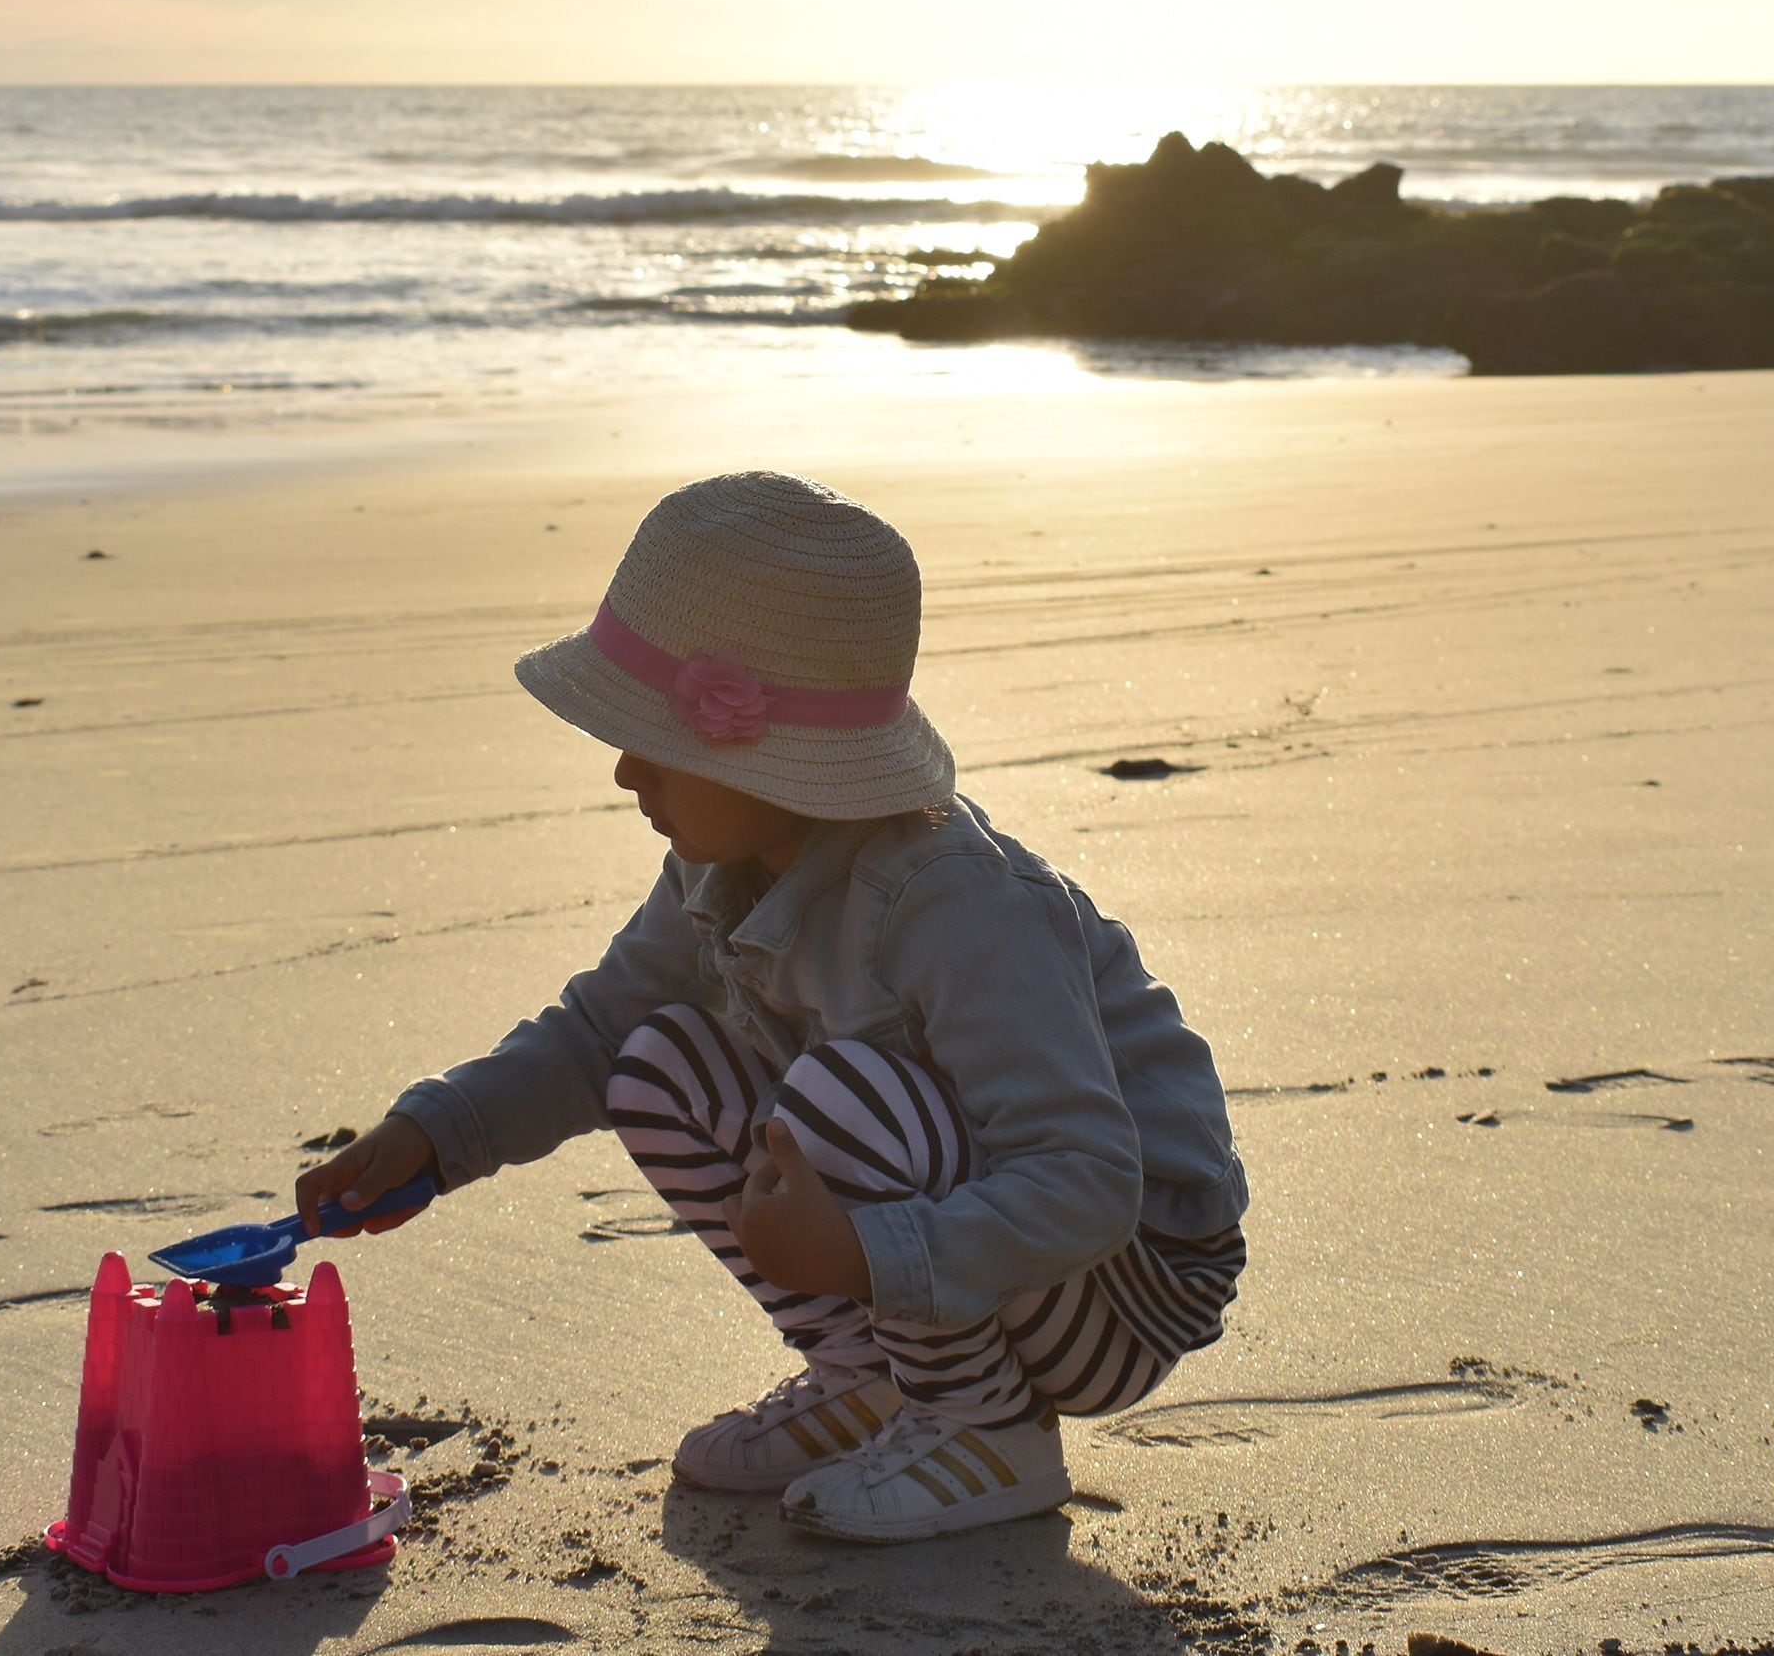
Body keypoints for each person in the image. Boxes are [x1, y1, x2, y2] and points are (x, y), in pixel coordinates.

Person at [295, 470, 1247, 1543]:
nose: (620, 774)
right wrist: (437, 1134)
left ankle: (986, 1428)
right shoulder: (720, 866)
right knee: (654, 1063)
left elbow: (1085, 1181)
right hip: (970, 1237)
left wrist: (868, 1260)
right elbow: (596, 1030)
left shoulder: (954, 903)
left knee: (841, 1096)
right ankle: (869, 1377)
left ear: (771, 761)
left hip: (1121, 1284)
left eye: (651, 742)